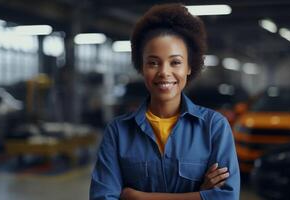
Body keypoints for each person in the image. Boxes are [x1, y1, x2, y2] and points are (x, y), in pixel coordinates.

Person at [90, 3, 240, 200]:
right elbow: (102, 197)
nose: (164, 72)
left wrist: (137, 197)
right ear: (141, 67)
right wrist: (200, 195)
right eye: (153, 62)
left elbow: (226, 197)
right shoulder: (118, 132)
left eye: (175, 62)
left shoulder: (214, 128)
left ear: (189, 67)